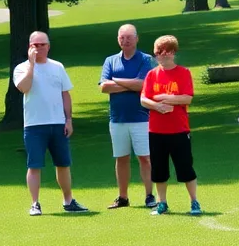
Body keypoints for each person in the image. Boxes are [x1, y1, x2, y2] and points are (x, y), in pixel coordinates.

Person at [14, 31, 87, 215]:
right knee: (34, 165)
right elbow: (24, 88)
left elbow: (65, 94)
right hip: (34, 125)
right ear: (29, 47)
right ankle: (35, 203)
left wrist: (68, 119)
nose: (38, 48)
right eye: (34, 45)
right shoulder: (21, 68)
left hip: (57, 123)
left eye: (42, 45)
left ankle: (68, 200)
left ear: (48, 46)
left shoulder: (57, 67)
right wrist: (31, 65)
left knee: (63, 163)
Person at [140, 35, 200, 216]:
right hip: (156, 130)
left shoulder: (183, 73)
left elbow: (187, 97)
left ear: (173, 52)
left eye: (165, 52)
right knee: (159, 169)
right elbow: (144, 99)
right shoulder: (152, 75)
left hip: (179, 130)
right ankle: (162, 203)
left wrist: (167, 99)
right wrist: (156, 105)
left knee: (185, 167)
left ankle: (194, 202)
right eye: (158, 52)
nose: (162, 56)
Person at [100, 24, 157, 209]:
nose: (125, 41)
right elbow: (103, 87)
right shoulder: (110, 61)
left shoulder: (145, 59)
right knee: (121, 158)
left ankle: (149, 195)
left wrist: (116, 80)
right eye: (121, 37)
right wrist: (129, 85)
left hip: (142, 118)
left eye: (128, 37)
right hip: (117, 119)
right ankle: (123, 197)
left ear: (136, 38)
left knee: (145, 158)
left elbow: (143, 85)